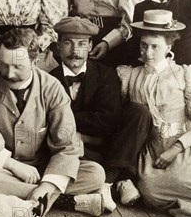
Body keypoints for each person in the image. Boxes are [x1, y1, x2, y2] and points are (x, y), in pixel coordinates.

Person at [0, 29, 110, 217]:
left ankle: (30, 195)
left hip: (42, 168)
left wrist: (47, 184)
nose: (8, 73)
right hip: (0, 167)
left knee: (95, 174)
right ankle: (66, 201)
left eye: (17, 66)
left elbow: (68, 146)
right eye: (4, 65)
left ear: (34, 62)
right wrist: (10, 164)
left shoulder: (52, 88)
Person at [117, 10, 191, 217]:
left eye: (155, 46)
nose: (148, 53)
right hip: (149, 153)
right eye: (144, 45)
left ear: (168, 46)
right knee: (150, 190)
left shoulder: (184, 74)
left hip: (186, 147)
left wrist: (176, 148)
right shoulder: (129, 76)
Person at [49, 17, 152, 206]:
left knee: (139, 111)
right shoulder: (48, 80)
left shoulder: (106, 74)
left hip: (106, 149)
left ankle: (108, 182)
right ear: (58, 46)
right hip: (70, 151)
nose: (75, 51)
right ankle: (114, 181)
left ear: (90, 46)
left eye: (81, 44)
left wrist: (72, 124)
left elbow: (108, 119)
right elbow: (49, 122)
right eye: (68, 43)